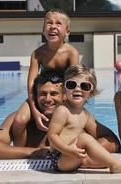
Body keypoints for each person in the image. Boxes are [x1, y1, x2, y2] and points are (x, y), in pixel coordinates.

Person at [0, 70, 120, 159]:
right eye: (43, 94)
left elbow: (112, 141)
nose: (48, 99)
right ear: (34, 97)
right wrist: (35, 153)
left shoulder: (79, 117)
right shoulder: (21, 119)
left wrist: (75, 152)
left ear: (64, 96)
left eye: (54, 94)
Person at [47, 64, 121, 173]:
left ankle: (90, 163)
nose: (77, 89)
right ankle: (115, 165)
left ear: (91, 92)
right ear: (64, 89)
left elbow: (108, 136)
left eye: (84, 86)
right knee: (84, 138)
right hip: (60, 157)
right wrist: (67, 150)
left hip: (74, 157)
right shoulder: (62, 110)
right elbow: (52, 135)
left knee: (103, 161)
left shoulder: (85, 114)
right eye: (71, 85)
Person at [12, 9, 79, 146]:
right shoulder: (38, 54)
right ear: (43, 30)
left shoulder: (71, 53)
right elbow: (31, 84)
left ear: (67, 32)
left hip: (64, 96)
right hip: (42, 95)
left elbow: (74, 83)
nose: (53, 26)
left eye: (58, 23)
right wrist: (35, 111)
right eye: (49, 23)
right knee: (19, 120)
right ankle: (21, 152)